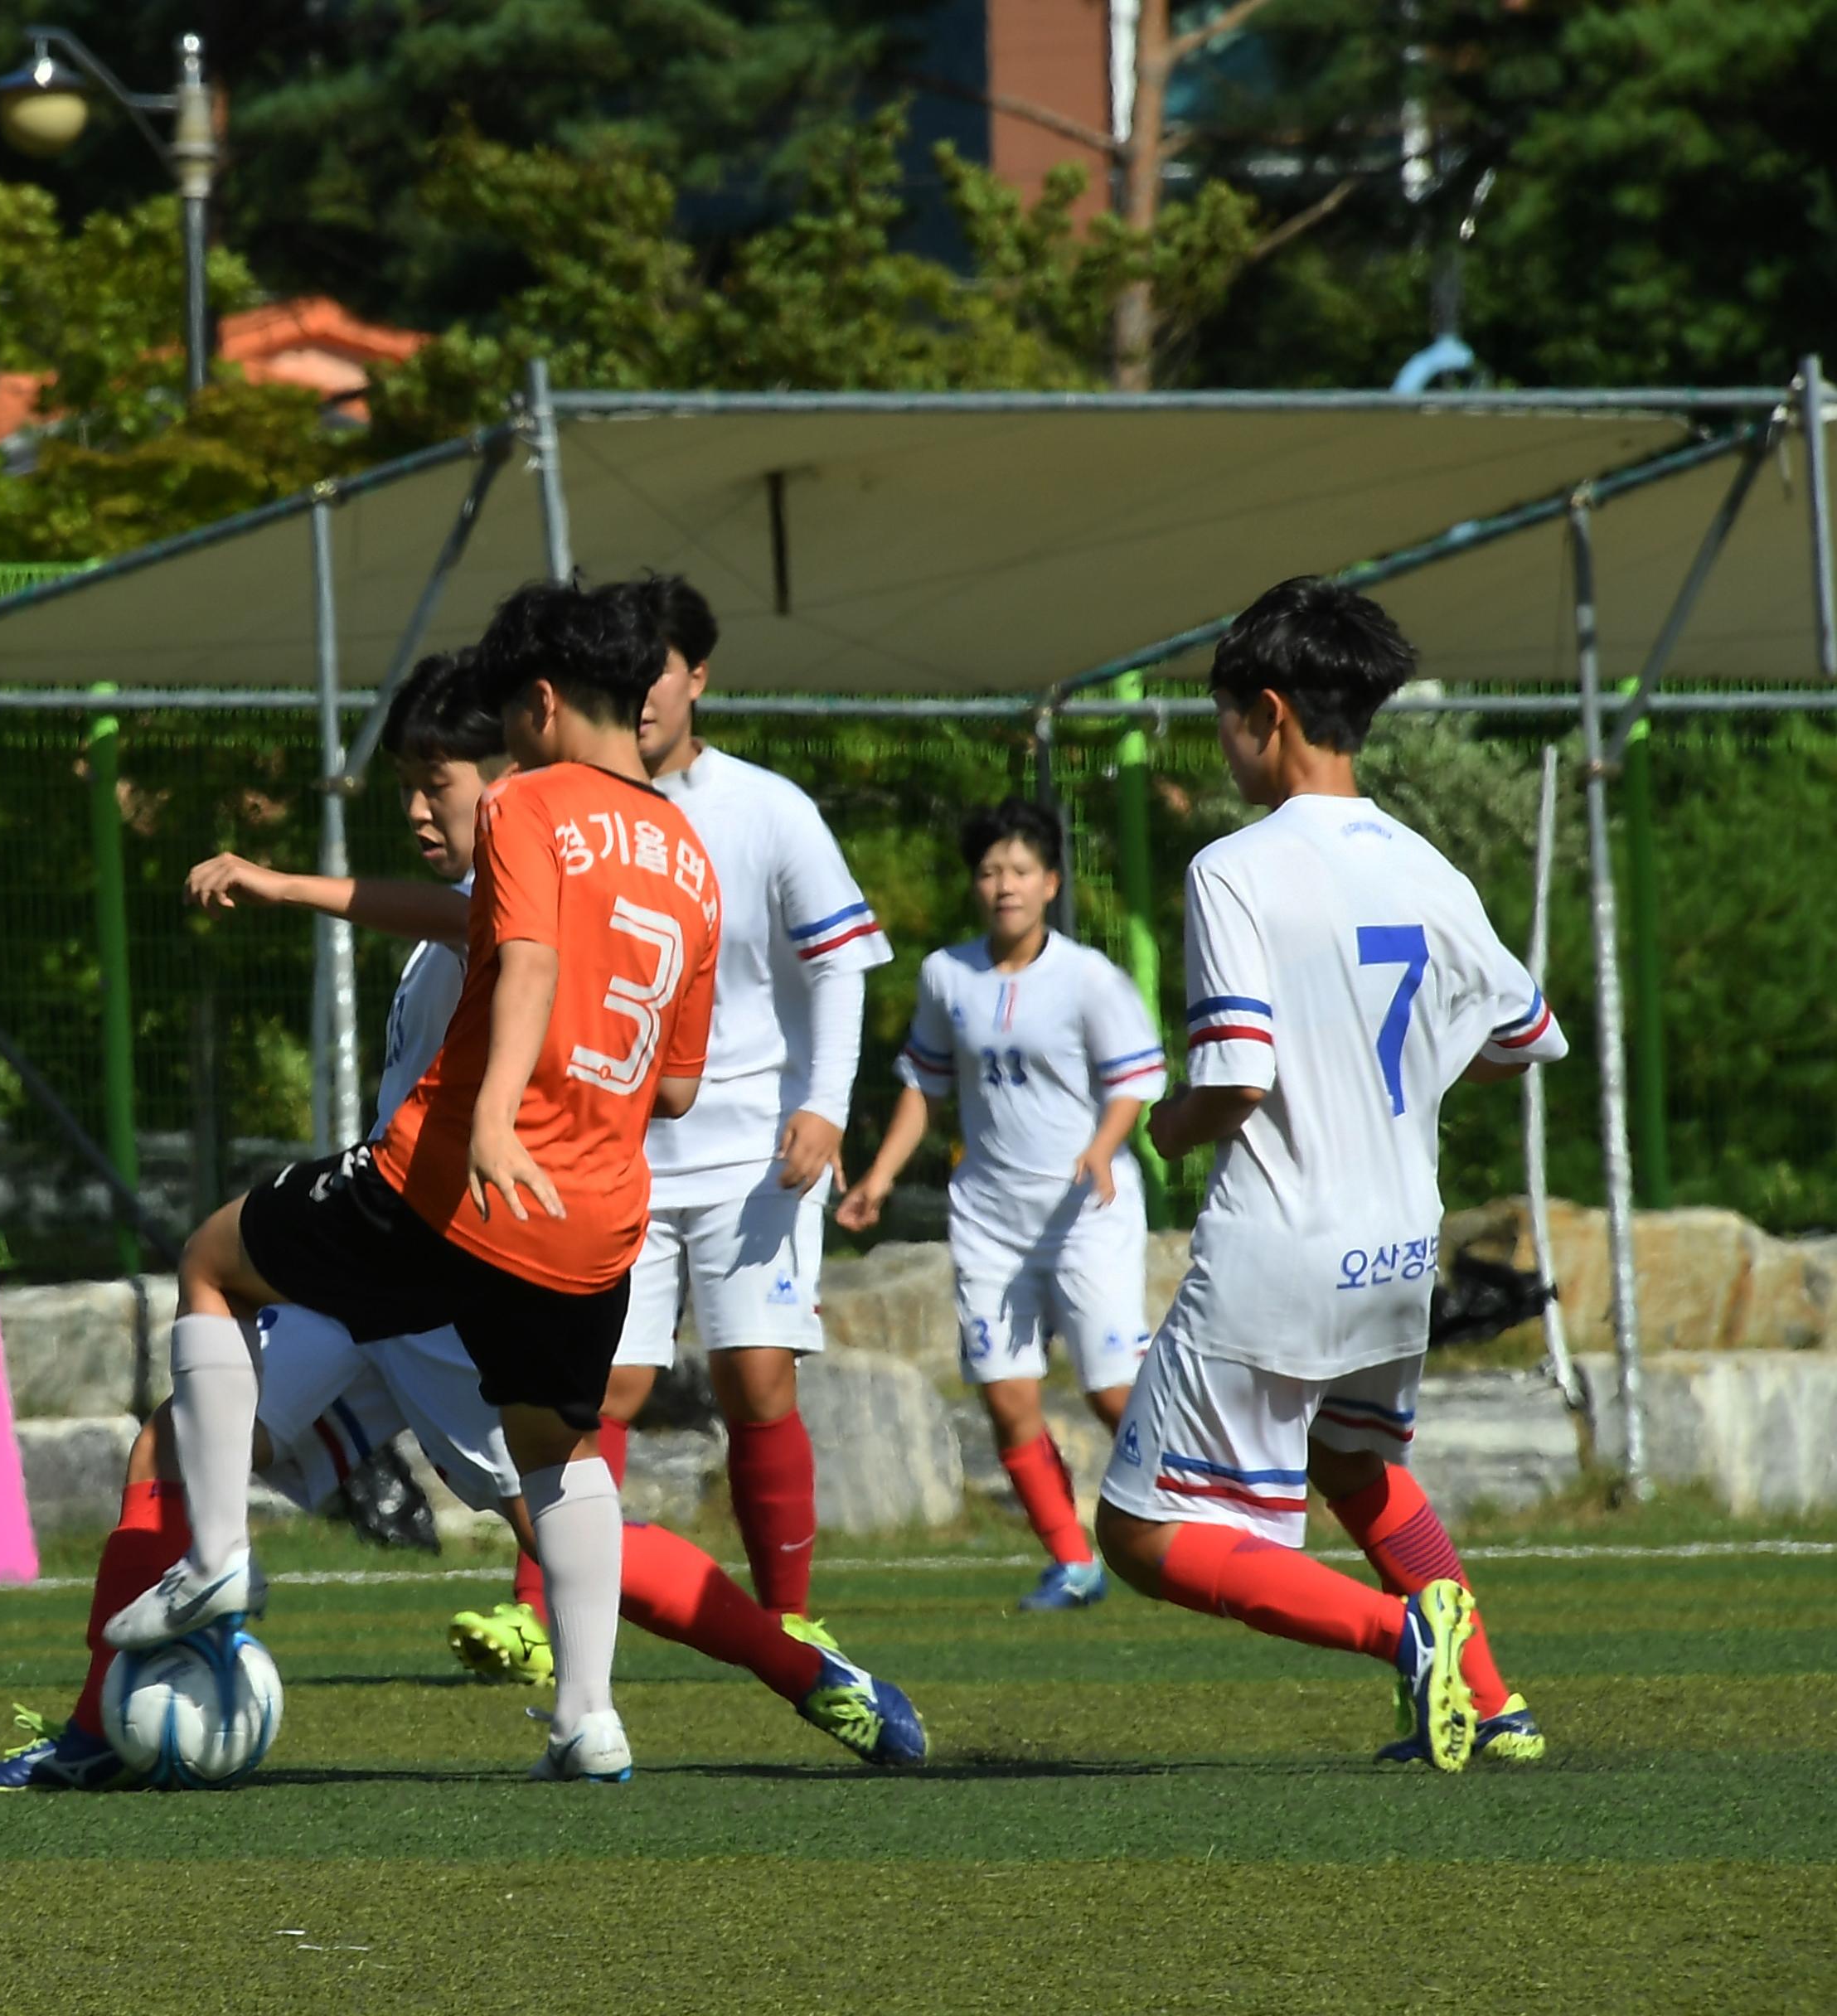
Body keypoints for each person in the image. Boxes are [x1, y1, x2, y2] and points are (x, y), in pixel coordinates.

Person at [0, 647, 924, 1790]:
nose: (419, 810)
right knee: (186, 1443)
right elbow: (436, 913)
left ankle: (805, 1674)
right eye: (408, 786)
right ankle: (97, 1729)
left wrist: (286, 887)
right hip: (389, 1267)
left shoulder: (527, 892)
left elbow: (476, 933)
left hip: (440, 1268)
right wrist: (290, 886)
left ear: (514, 766)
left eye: (443, 783)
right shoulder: (529, 891)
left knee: (549, 1514)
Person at [101, 576, 730, 1784]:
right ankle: (588, 1722)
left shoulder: (531, 802)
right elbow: (679, 1089)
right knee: (561, 1458)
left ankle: (219, 1554)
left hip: (451, 1184)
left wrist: (493, 1115)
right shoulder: (689, 857)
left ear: (540, 704)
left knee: (211, 1261)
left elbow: (529, 959)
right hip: (595, 1220)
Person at [1094, 577, 1563, 1771]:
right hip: (1398, 1242)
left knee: (1141, 1534)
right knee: (1352, 1462)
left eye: (1221, 720)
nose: (1222, 747)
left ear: (1269, 713)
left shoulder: (1237, 868)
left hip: (1283, 1245)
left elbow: (1238, 1076)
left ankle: (1408, 1635)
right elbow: (1521, 1042)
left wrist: (1166, 1128)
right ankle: (1494, 1705)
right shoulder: (1428, 868)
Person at [452, 576, 889, 1685]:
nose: (646, 688)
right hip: (618, 1149)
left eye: (667, 667)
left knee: (757, 1384)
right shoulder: (559, 802)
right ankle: (535, 1613)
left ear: (696, 678)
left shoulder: (766, 807)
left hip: (749, 1149)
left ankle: (788, 1622)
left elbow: (840, 962)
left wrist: (822, 1106)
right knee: (595, 1389)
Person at [836, 798, 1164, 1611]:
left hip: (1087, 1209)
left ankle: (1202, 1515)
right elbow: (925, 1086)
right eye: (989, 870)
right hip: (990, 1216)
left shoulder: (1088, 975)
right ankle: (1071, 1558)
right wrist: (876, 1177)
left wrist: (1101, 1143)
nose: (1004, 885)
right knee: (1005, 1390)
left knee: (1111, 1388)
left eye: (1020, 869)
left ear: (1050, 882)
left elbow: (1135, 1079)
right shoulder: (949, 974)